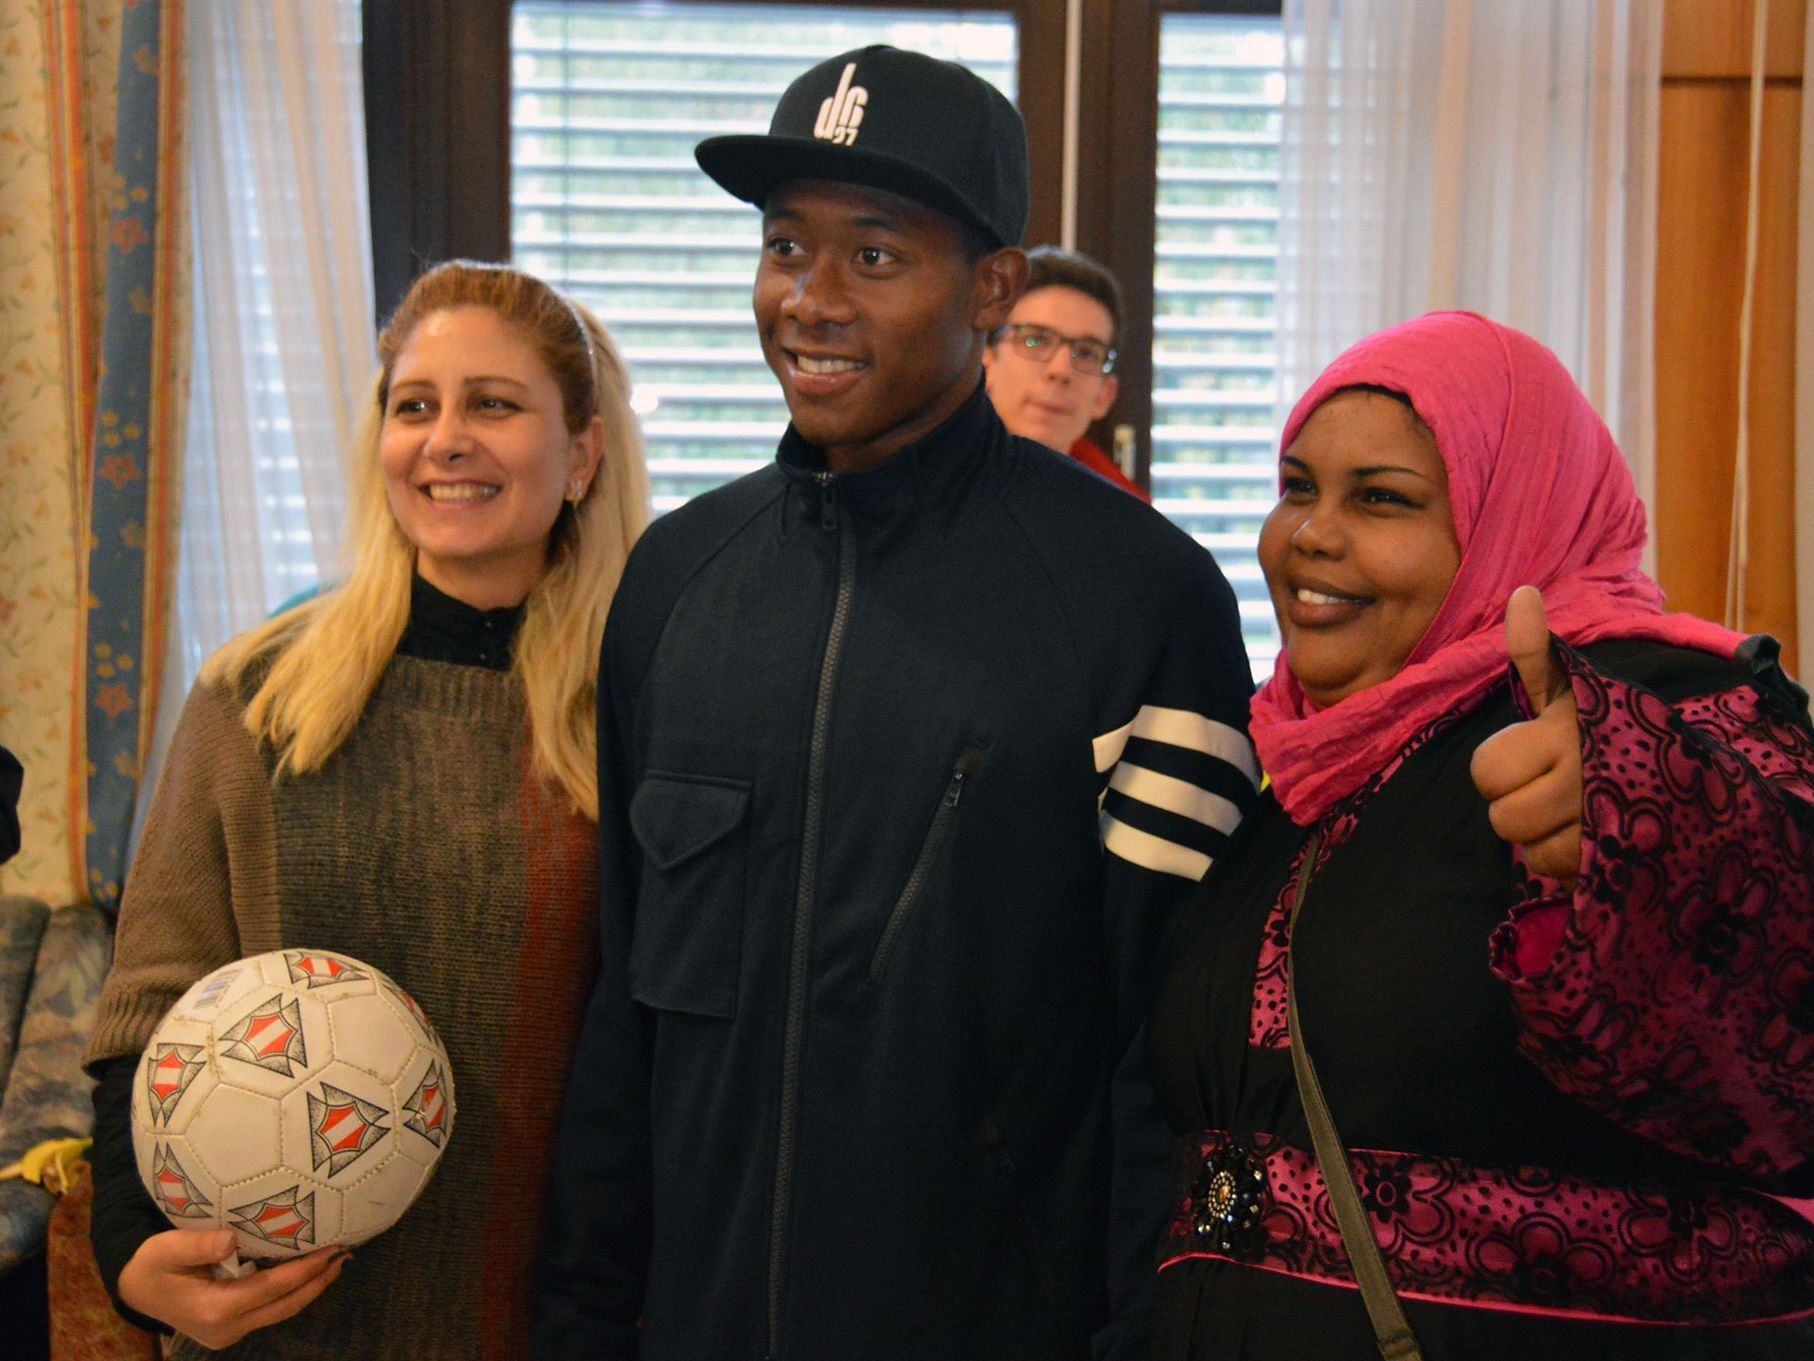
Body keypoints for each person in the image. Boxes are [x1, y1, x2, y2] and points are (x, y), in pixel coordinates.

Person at [535, 45, 1256, 1361]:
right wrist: (582, 1321)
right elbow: (624, 1021)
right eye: (782, 247)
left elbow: (1182, 1051)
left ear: (990, 286)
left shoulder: (1140, 598)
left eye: (872, 257)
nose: (807, 301)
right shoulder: (675, 582)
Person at [1148, 310, 1814, 1359]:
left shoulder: (1659, 705)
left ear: (1518, 515)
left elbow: (1782, 980)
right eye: (1295, 487)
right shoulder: (1298, 769)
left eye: (1381, 498)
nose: (1310, 534)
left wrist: (1643, 819)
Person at [83, 260, 651, 1360]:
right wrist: (132, 1255)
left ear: (580, 453)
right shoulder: (257, 697)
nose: (444, 438)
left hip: (551, 1325)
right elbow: (149, 1011)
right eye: (413, 405)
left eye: (493, 402)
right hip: (273, 1326)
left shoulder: (642, 718)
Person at [983, 245, 1148, 500]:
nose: (1061, 370)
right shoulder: (914, 492)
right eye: (1035, 340)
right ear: (986, 364)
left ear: (1105, 395)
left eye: (1086, 353)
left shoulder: (1130, 526)